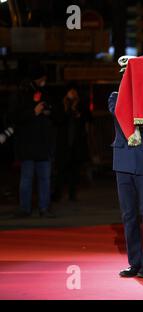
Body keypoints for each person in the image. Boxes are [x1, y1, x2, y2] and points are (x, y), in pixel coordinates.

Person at [109, 55, 143, 278]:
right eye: (124, 75)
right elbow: (120, 112)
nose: (125, 79)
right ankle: (134, 262)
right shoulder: (115, 97)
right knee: (129, 215)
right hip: (123, 163)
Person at [13, 63, 56, 218]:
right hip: (29, 145)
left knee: (43, 178)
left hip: (42, 144)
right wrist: (34, 112)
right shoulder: (22, 93)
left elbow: (53, 112)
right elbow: (16, 117)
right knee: (28, 178)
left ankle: (43, 208)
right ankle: (25, 208)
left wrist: (46, 111)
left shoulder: (44, 92)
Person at [53, 83, 91, 201]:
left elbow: (88, 117)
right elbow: (58, 119)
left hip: (76, 144)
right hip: (64, 144)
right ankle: (57, 194)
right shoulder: (61, 105)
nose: (72, 94)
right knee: (60, 171)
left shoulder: (80, 105)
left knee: (74, 171)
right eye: (70, 92)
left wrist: (76, 111)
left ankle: (72, 194)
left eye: (74, 92)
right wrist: (68, 110)